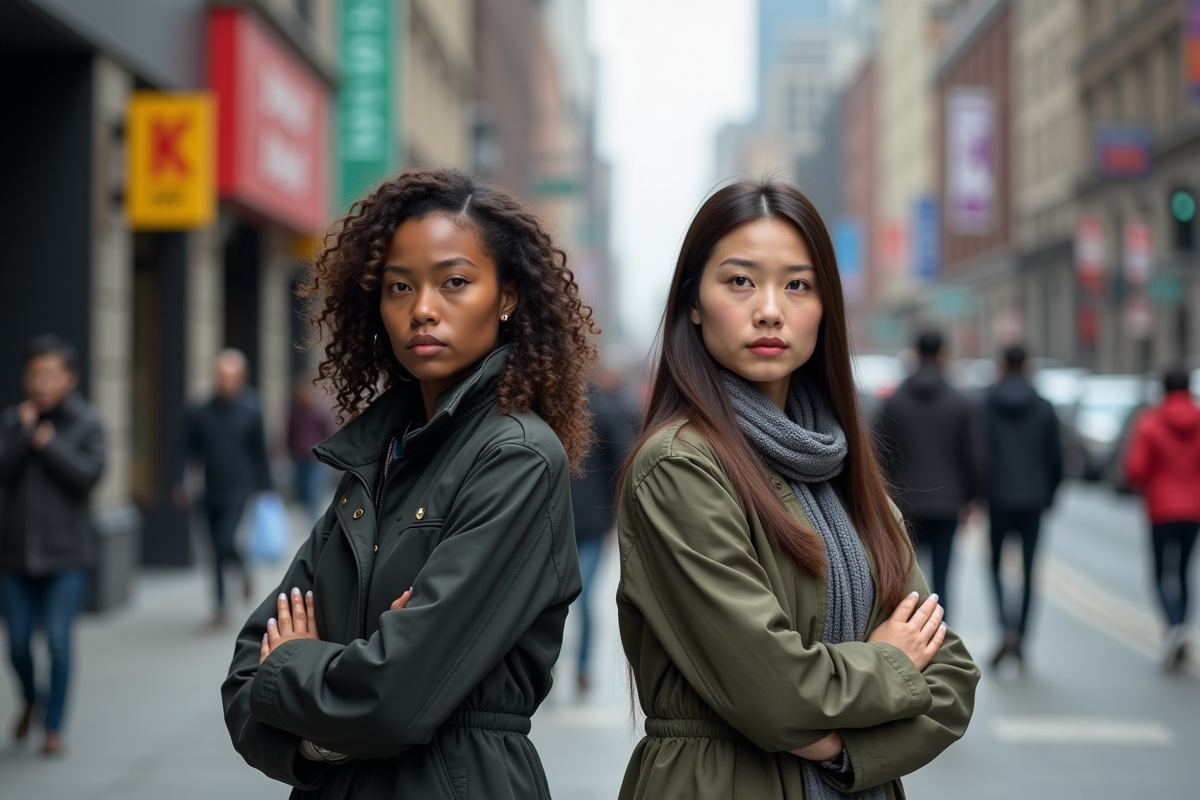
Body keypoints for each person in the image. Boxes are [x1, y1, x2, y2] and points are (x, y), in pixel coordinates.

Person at [222, 168, 595, 797]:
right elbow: (242, 680)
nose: (422, 309)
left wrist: (295, 666)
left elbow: (392, 700)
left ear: (506, 297)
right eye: (399, 286)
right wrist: (324, 738)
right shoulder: (376, 457)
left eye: (455, 282)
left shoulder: (517, 457)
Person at [615, 181, 978, 800]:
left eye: (798, 285)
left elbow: (953, 681)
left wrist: (839, 749)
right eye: (740, 281)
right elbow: (776, 694)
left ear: (825, 307)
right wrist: (891, 663)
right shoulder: (679, 467)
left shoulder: (839, 468)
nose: (769, 310)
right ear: (693, 302)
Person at [0, 335, 106, 755]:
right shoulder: (14, 421)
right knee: (18, 644)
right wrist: (24, 434)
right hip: (15, 555)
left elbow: (88, 476)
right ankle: (32, 697)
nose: (40, 383)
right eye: (33, 374)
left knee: (59, 641)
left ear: (69, 378)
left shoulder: (87, 422)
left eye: (49, 375)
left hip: (67, 556)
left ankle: (53, 727)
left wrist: (48, 443)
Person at [874, 329, 984, 618]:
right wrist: (971, 499)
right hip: (948, 503)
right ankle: (942, 637)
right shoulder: (960, 402)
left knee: (908, 581)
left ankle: (911, 634)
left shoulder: (895, 401)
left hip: (904, 505)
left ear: (915, 354)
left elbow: (878, 455)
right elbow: (973, 458)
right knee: (943, 580)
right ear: (944, 356)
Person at [174, 349, 272, 628]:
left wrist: (266, 487)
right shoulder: (200, 410)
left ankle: (241, 566)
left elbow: (260, 451)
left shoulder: (252, 409)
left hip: (240, 489)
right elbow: (184, 448)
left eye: (231, 377)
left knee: (224, 541)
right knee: (213, 551)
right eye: (221, 376)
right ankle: (219, 608)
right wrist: (179, 481)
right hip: (209, 489)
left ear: (242, 378)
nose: (226, 382)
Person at [981, 344, 1062, 669]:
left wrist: (979, 492)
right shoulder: (1044, 406)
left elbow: (980, 452)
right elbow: (1056, 457)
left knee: (995, 566)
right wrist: (1050, 495)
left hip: (998, 497)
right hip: (1033, 498)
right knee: (1029, 570)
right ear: (1027, 367)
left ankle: (1005, 627)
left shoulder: (986, 403)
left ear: (1001, 366)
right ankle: (1022, 635)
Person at [1124, 366, 1200, 671]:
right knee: (1183, 572)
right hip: (1194, 509)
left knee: (1159, 573)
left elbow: (1136, 470)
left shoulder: (1150, 422)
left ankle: (1174, 626)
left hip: (1161, 509)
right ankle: (1181, 626)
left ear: (1163, 389)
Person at [569, 366, 634, 694]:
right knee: (582, 597)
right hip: (592, 522)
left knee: (559, 598)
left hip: (565, 522)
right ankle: (580, 668)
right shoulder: (606, 410)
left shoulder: (556, 412)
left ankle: (567, 667)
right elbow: (624, 463)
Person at [286, 377, 337, 519]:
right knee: (303, 490)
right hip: (299, 457)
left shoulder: (318, 413)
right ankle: (309, 514)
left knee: (314, 489)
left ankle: (314, 518)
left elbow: (327, 434)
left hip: (316, 458)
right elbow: (290, 433)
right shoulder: (295, 412)